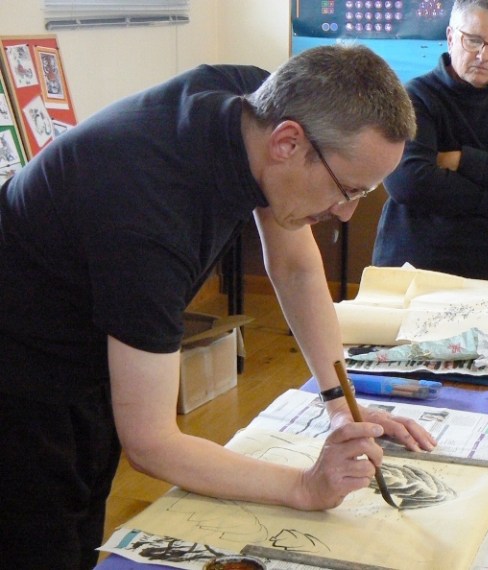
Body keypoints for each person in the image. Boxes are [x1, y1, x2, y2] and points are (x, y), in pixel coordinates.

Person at [0, 44, 437, 569]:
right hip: (24, 365)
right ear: (288, 142)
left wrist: (341, 403)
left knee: (82, 517)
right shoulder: (149, 215)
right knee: (40, 536)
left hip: (88, 329)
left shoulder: (258, 102)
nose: (346, 214)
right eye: (347, 190)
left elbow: (295, 267)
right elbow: (152, 444)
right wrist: (304, 486)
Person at [371, 0, 488, 284]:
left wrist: (461, 159)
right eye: (473, 40)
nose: (483, 55)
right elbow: (409, 181)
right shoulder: (416, 97)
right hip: (417, 265)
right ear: (450, 37)